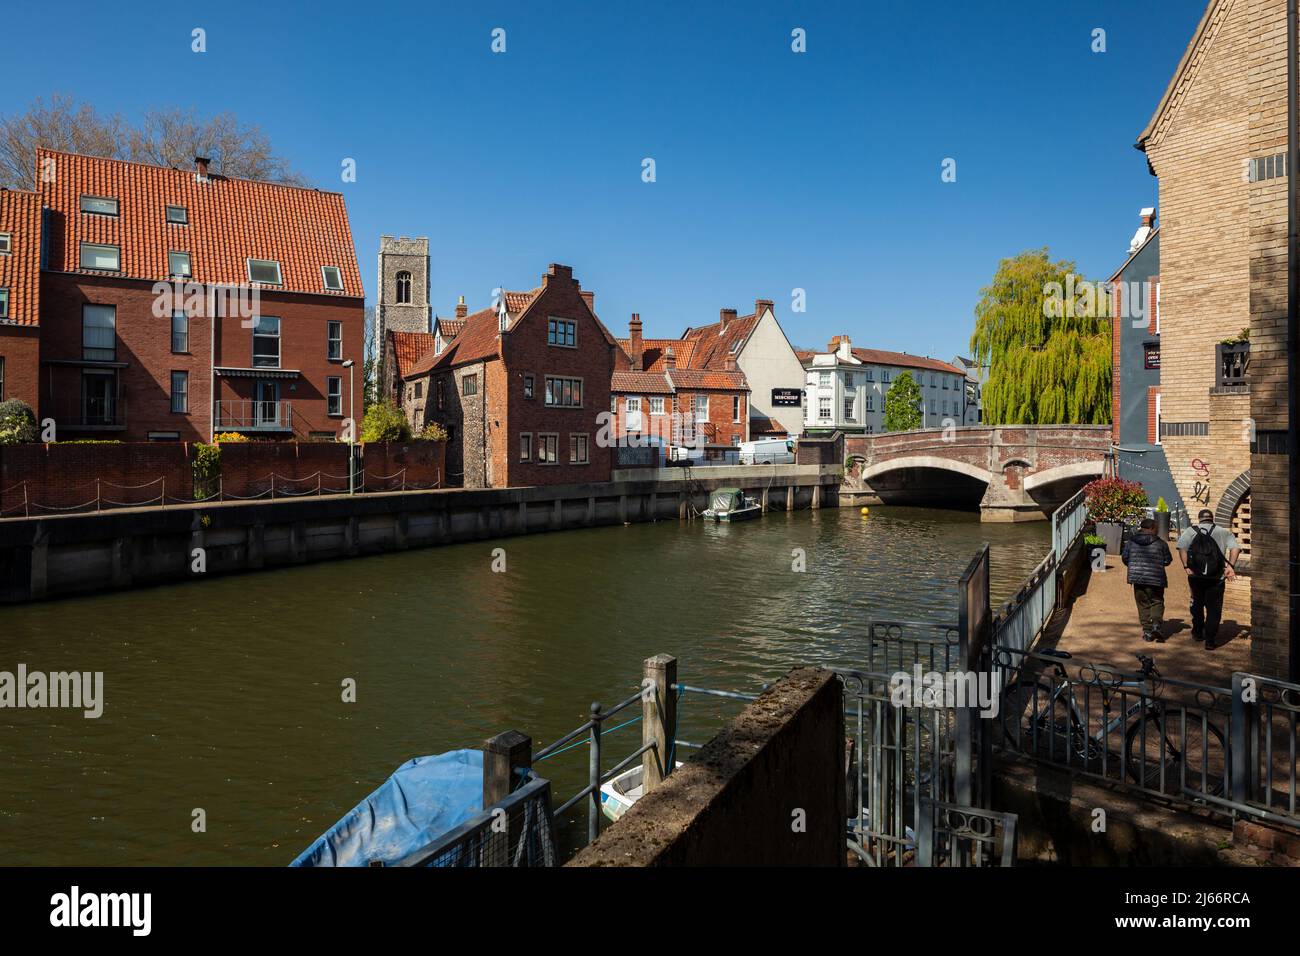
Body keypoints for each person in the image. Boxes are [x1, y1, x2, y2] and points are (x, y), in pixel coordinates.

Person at [1176, 508, 1241, 649]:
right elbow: (1235, 548)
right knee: (1214, 609)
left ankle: (1198, 632)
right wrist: (1230, 566)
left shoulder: (1190, 531)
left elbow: (1182, 549)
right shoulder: (1223, 532)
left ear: (1199, 519)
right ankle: (1210, 640)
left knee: (1196, 604)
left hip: (1196, 576)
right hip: (1216, 577)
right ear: (1212, 518)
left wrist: (1186, 567)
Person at [1121, 517, 1173, 643]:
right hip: (1156, 578)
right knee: (1156, 601)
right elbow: (1167, 560)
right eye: (1156, 528)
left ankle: (1147, 631)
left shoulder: (1131, 542)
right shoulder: (1161, 543)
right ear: (1152, 528)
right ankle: (1156, 624)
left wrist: (1134, 566)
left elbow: (1125, 558)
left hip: (1137, 578)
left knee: (1142, 604)